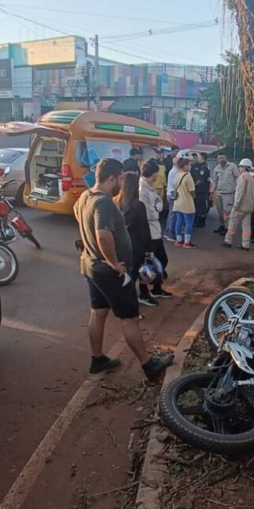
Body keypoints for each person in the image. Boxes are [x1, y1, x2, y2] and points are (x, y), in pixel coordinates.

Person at [73, 157, 173, 377]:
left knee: (98, 313)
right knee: (130, 318)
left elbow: (77, 214)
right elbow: (103, 235)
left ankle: (97, 359)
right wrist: (113, 262)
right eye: (119, 178)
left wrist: (89, 243)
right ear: (110, 178)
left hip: (91, 266)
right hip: (110, 272)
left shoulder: (85, 196)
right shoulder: (104, 202)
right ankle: (148, 365)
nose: (122, 182)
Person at [114, 171, 159, 307]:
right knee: (134, 277)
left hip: (120, 246)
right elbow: (144, 230)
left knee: (128, 276)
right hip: (136, 247)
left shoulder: (116, 202)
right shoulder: (138, 205)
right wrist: (149, 250)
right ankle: (129, 306)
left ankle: (138, 297)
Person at [138, 161, 174, 301]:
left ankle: (157, 287)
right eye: (157, 173)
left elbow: (158, 202)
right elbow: (149, 213)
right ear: (154, 174)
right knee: (148, 264)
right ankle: (144, 292)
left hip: (155, 230)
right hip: (149, 232)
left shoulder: (149, 187)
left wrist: (156, 207)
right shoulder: (142, 189)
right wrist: (157, 208)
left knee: (161, 260)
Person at [223, 159, 254, 251]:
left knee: (232, 224)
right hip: (249, 206)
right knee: (246, 226)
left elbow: (240, 192)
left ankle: (228, 241)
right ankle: (246, 244)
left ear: (244, 167)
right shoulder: (253, 179)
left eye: (240, 167)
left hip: (240, 206)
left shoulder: (242, 177)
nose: (239, 168)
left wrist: (236, 205)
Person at [172, 156, 197, 248]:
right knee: (189, 223)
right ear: (185, 165)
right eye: (190, 164)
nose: (191, 166)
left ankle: (178, 240)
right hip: (187, 203)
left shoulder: (177, 174)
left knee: (179, 221)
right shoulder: (188, 176)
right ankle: (187, 242)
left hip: (178, 202)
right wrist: (193, 195)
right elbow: (192, 190)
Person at [210, 153, 238, 234]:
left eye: (222, 157)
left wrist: (237, 189)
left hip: (229, 193)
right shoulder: (217, 169)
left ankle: (227, 228)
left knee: (227, 212)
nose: (221, 159)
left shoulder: (232, 166)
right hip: (219, 193)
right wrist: (212, 191)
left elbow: (237, 178)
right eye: (219, 158)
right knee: (219, 212)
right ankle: (221, 226)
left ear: (226, 157)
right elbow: (215, 181)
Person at [163, 154, 182, 241]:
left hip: (171, 194)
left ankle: (168, 232)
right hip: (172, 195)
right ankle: (170, 233)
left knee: (172, 214)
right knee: (173, 215)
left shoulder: (175, 171)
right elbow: (175, 184)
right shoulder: (175, 171)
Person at [190, 152, 211, 227]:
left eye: (198, 156)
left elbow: (201, 180)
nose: (196, 158)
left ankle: (201, 222)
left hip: (201, 190)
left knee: (201, 207)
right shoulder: (197, 166)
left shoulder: (204, 167)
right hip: (199, 190)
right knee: (197, 206)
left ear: (202, 157)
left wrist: (193, 186)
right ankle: (197, 221)